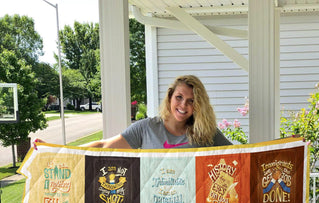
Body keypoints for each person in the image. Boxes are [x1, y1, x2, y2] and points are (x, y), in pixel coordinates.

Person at [42, 75, 230, 151]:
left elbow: (241, 156)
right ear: (170, 97)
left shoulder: (206, 132)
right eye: (179, 97)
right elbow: (103, 145)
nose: (183, 105)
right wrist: (55, 150)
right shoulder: (147, 128)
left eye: (191, 101)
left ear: (198, 105)